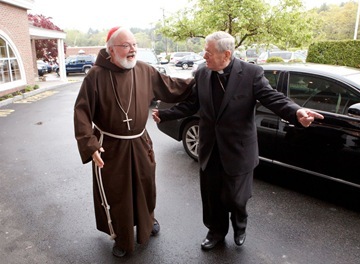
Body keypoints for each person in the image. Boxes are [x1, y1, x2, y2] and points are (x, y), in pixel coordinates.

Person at [152, 31, 324, 250]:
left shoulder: (251, 73)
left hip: (239, 150)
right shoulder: (203, 73)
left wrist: (296, 112)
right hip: (210, 148)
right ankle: (215, 232)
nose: (204, 55)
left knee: (236, 198)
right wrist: (165, 114)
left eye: (208, 52)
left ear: (226, 54)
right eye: (204, 50)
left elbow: (273, 97)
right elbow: (192, 104)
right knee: (212, 196)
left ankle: (240, 224)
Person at [73, 26, 194, 258]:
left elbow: (171, 86)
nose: (132, 50)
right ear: (111, 50)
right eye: (126, 45)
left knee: (146, 186)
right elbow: (82, 112)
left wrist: (199, 80)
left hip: (140, 142)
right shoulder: (95, 76)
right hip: (111, 145)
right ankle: (122, 236)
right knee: (118, 194)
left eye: (134, 45)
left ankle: (148, 221)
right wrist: (90, 145)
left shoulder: (145, 70)